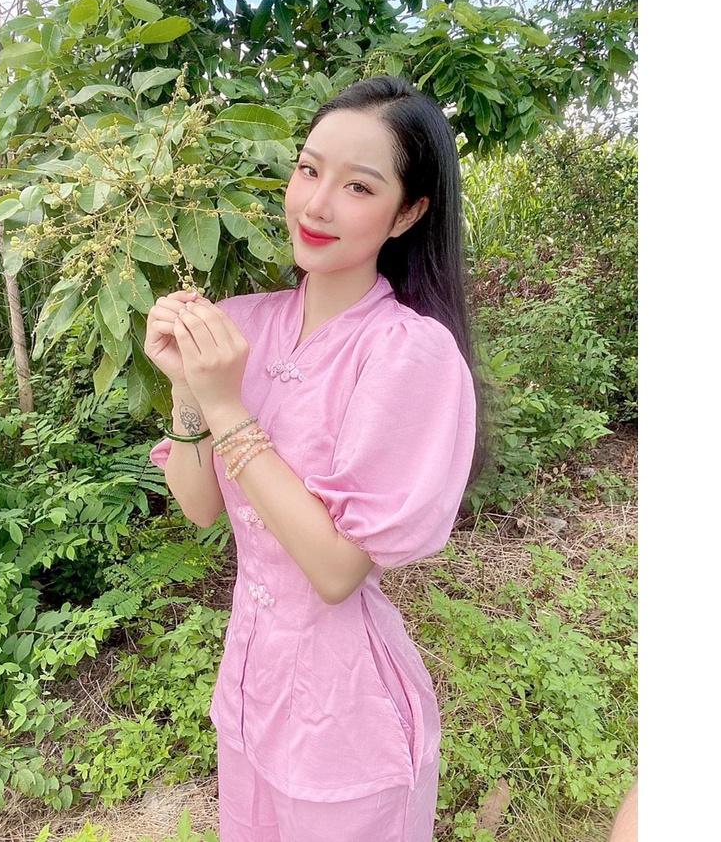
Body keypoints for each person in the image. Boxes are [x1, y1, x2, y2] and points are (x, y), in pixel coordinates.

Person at [144, 75, 484, 841]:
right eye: (308, 170)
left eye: (358, 186)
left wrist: (226, 406)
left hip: (346, 720)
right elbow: (200, 507)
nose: (317, 204)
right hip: (251, 693)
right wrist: (187, 390)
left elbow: (335, 571)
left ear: (408, 213)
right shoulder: (243, 324)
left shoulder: (408, 354)